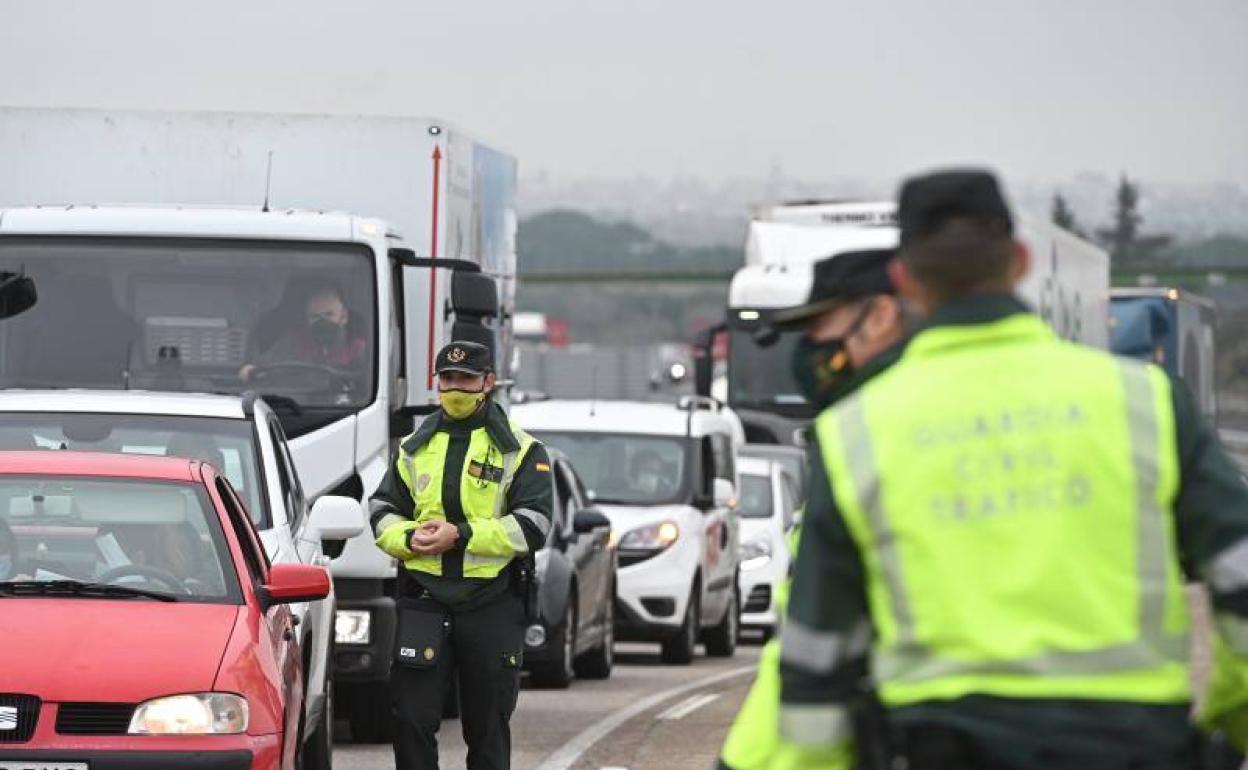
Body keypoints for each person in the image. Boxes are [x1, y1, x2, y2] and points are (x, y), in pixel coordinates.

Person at [779, 169, 1248, 769]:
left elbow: (815, 662)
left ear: (904, 281)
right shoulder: (1144, 401)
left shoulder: (856, 432)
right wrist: (1227, 730)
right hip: (1133, 748)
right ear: (1021, 262)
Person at [718, 247, 914, 770]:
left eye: (820, 328)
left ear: (881, 315)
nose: (809, 351)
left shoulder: (868, 438)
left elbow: (820, 648)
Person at [370, 340, 552, 770]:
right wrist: (409, 538)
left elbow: (534, 525)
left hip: (491, 603)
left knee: (488, 729)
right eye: (447, 378)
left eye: (466, 379)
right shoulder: (414, 447)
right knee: (410, 721)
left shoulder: (521, 450)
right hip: (425, 602)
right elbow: (381, 512)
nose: (455, 388)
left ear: (488, 382)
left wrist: (462, 536)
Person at [240, 283, 366, 382]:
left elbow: (365, 382)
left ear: (343, 317)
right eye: (315, 316)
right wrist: (251, 370)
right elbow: (264, 366)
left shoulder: (356, 347)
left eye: (329, 314)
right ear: (307, 319)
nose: (322, 321)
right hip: (296, 402)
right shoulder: (294, 341)